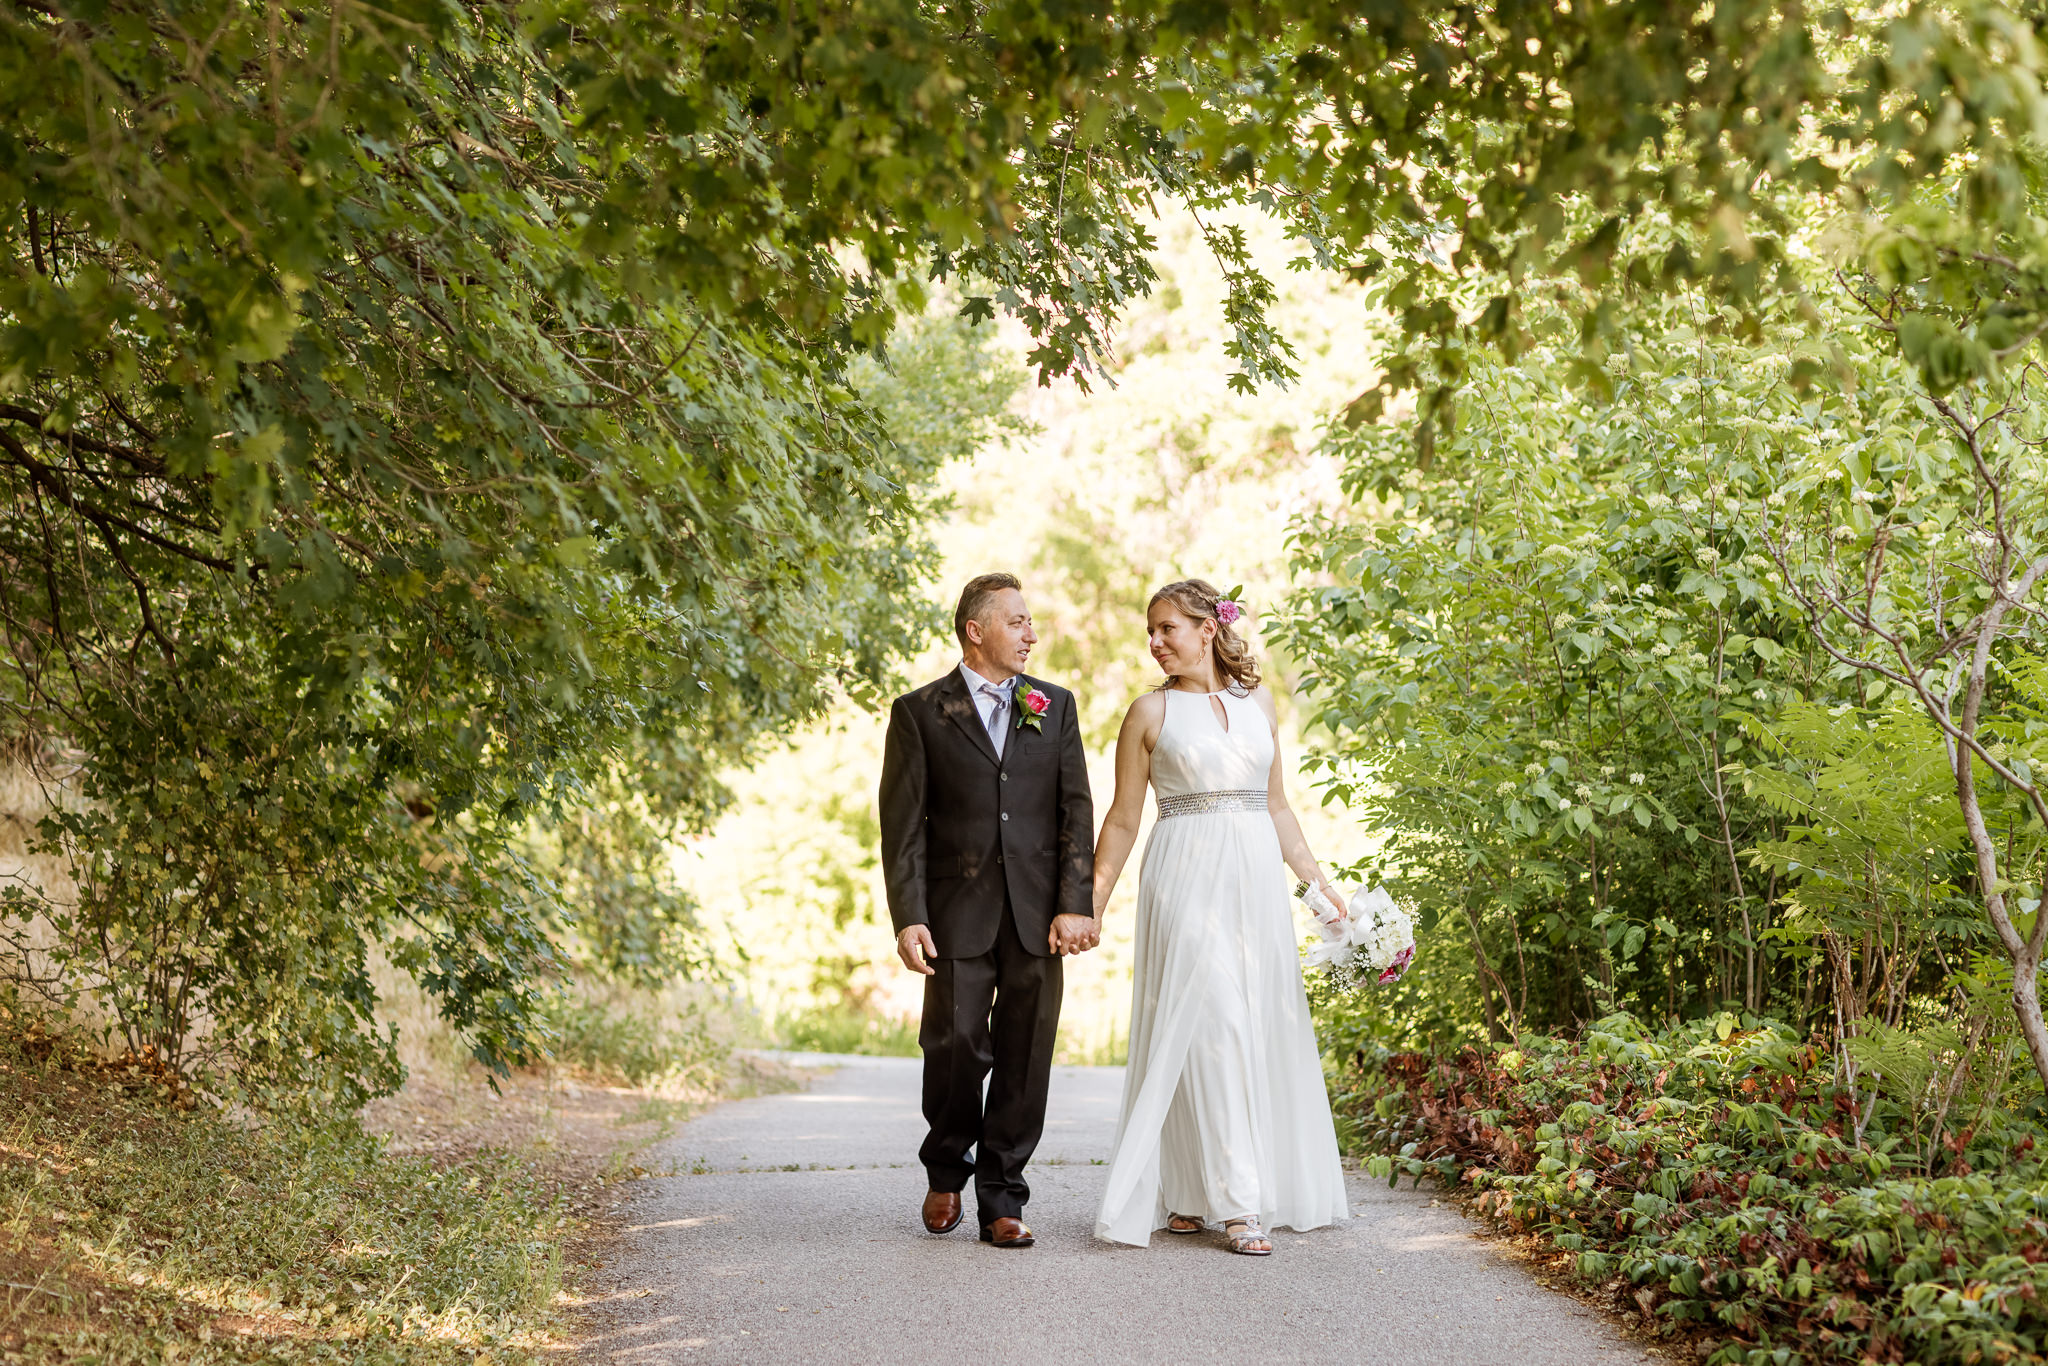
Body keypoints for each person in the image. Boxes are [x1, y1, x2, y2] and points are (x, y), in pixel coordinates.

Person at [1089, 579, 1350, 1255]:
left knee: (1242, 1021)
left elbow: (1280, 808)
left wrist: (1320, 890)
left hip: (1255, 881)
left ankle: (1186, 1193)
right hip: (1183, 875)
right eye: (1150, 631)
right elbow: (1121, 819)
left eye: (1166, 628)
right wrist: (1088, 903)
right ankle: (1238, 1204)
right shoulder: (1148, 713)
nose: (1154, 642)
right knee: (1213, 1023)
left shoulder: (1257, 701)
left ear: (1209, 628)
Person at [878, 572, 1098, 1249]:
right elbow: (903, 826)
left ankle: (1003, 1197)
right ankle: (946, 1170)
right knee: (954, 1049)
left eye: (1030, 623)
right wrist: (908, 914)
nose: (1032, 634)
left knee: (1026, 1055)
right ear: (977, 631)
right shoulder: (919, 712)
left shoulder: (1054, 706)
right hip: (954, 912)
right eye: (1018, 622)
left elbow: (1075, 810)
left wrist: (1075, 904)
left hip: (1037, 916)